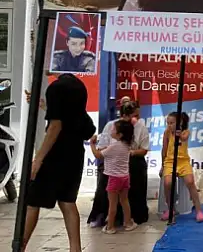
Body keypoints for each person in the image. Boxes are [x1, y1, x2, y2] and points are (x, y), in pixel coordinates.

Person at [23, 74, 96, 252]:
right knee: (67, 201)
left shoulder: (56, 88)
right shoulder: (78, 86)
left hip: (56, 152)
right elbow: (69, 115)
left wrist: (38, 159)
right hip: (75, 152)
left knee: (32, 201)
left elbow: (56, 126)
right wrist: (45, 106)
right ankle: (75, 248)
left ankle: (20, 245)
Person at [87, 101, 150, 227]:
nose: (136, 119)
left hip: (124, 167)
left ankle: (112, 225)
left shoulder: (137, 129)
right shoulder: (113, 130)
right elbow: (102, 149)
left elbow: (99, 154)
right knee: (120, 197)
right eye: (134, 116)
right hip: (117, 168)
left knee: (115, 199)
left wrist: (92, 145)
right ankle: (117, 219)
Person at [89, 120, 139, 234]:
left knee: (112, 204)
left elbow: (98, 155)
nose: (111, 129)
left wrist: (92, 144)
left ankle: (110, 227)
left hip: (114, 179)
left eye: (114, 129)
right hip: (125, 177)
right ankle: (128, 223)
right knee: (124, 201)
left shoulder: (114, 146)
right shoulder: (127, 145)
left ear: (119, 134)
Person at [161, 111, 203, 223]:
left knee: (190, 182)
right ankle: (170, 209)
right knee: (167, 183)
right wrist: (162, 165)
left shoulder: (186, 131)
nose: (169, 125)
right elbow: (164, 149)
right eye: (168, 123)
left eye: (172, 123)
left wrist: (179, 134)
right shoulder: (167, 132)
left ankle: (199, 210)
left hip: (183, 162)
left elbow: (184, 138)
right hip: (170, 162)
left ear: (179, 123)